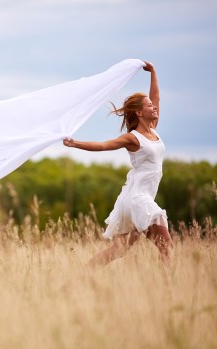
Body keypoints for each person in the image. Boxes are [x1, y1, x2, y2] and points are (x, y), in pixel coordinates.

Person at [63, 61, 172, 266]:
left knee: (119, 250)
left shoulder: (153, 129)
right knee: (166, 244)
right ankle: (167, 287)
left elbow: (156, 97)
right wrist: (75, 143)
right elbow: (104, 146)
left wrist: (153, 73)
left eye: (152, 105)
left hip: (136, 197)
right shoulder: (133, 138)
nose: (154, 107)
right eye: (149, 106)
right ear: (139, 113)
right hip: (138, 199)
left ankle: (81, 276)